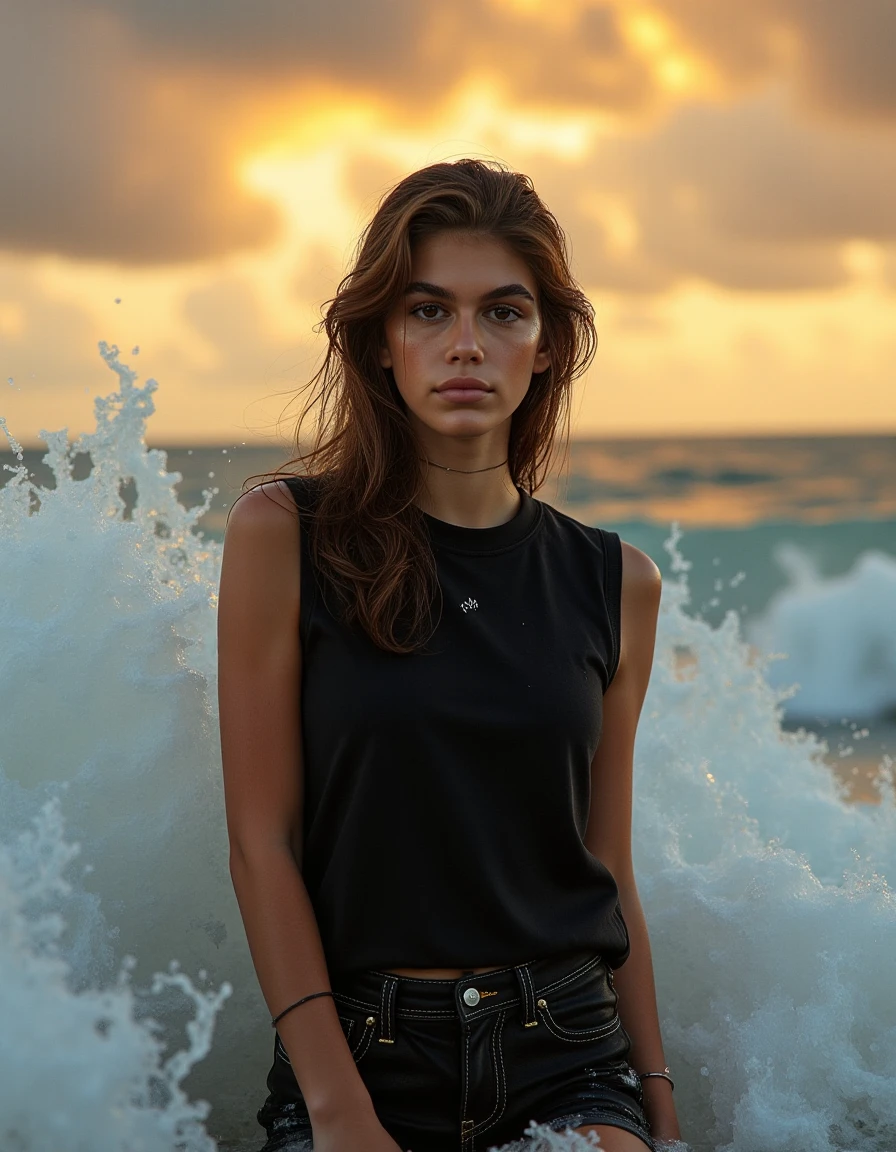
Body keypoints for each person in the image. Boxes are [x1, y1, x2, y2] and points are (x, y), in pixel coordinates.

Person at [217, 158, 681, 1152]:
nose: (464, 345)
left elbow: (605, 866)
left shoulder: (616, 582)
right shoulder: (282, 535)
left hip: (566, 1050)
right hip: (361, 1053)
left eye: (502, 313)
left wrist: (656, 1097)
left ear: (548, 344)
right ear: (379, 340)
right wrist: (338, 1111)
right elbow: (261, 844)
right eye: (427, 311)